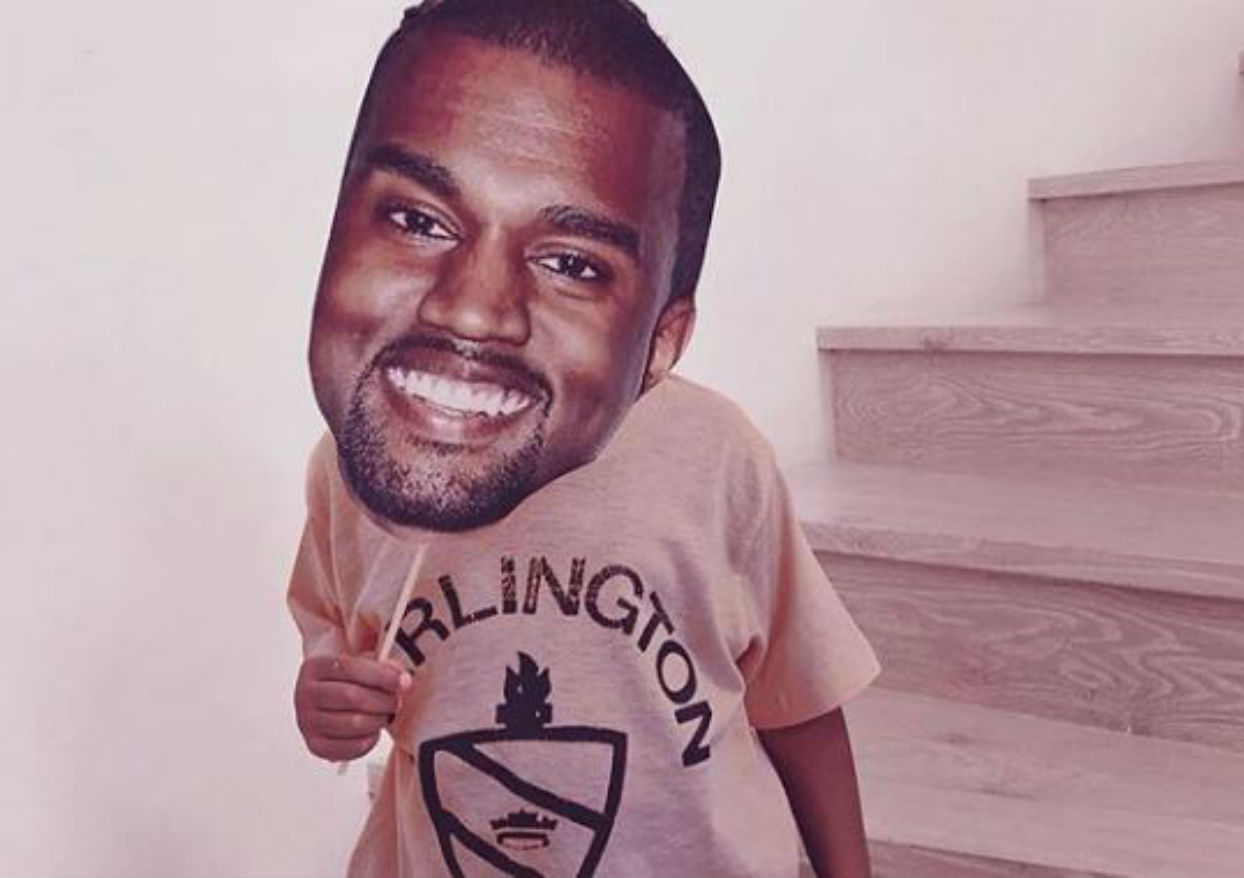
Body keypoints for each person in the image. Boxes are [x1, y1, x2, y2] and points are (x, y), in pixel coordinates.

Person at [287, 2, 880, 876]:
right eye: (419, 220)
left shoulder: (718, 455)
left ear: (663, 341)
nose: (471, 311)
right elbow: (333, 643)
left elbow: (800, 701)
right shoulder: (349, 469)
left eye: (571, 264)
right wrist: (326, 703)